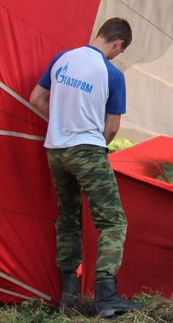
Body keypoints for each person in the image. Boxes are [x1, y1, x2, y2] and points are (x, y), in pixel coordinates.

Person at [29, 18, 143, 317]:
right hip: (88, 151)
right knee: (112, 221)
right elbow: (113, 127)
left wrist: (60, 125)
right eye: (121, 50)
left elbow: (37, 98)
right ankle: (107, 297)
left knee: (68, 220)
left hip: (55, 150)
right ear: (118, 44)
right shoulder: (112, 73)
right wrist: (94, 143)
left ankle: (68, 298)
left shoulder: (62, 59)